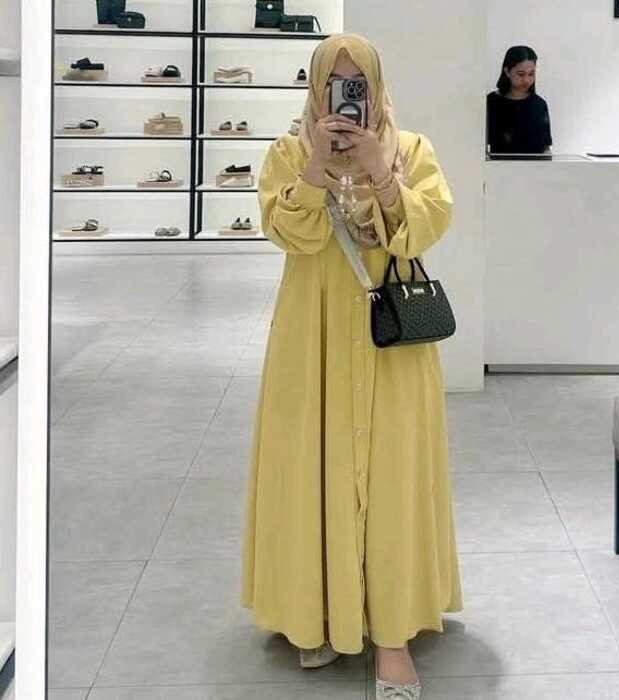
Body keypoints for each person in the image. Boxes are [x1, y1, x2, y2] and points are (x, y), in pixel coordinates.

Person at [240, 32, 462, 700]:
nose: (345, 97)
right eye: (334, 83)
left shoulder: (411, 149)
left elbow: (425, 228)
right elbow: (287, 232)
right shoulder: (288, 152)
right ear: (315, 87)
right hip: (311, 336)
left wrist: (378, 169)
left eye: (356, 84)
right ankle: (314, 611)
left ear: (375, 86)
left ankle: (392, 634)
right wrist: (316, 167)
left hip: (389, 338)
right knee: (310, 465)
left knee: (392, 475)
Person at [487, 45, 553, 154]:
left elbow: (546, 148)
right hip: (500, 164)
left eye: (531, 74)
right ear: (507, 71)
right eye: (521, 74)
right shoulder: (491, 102)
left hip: (533, 164)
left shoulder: (539, 105)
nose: (526, 80)